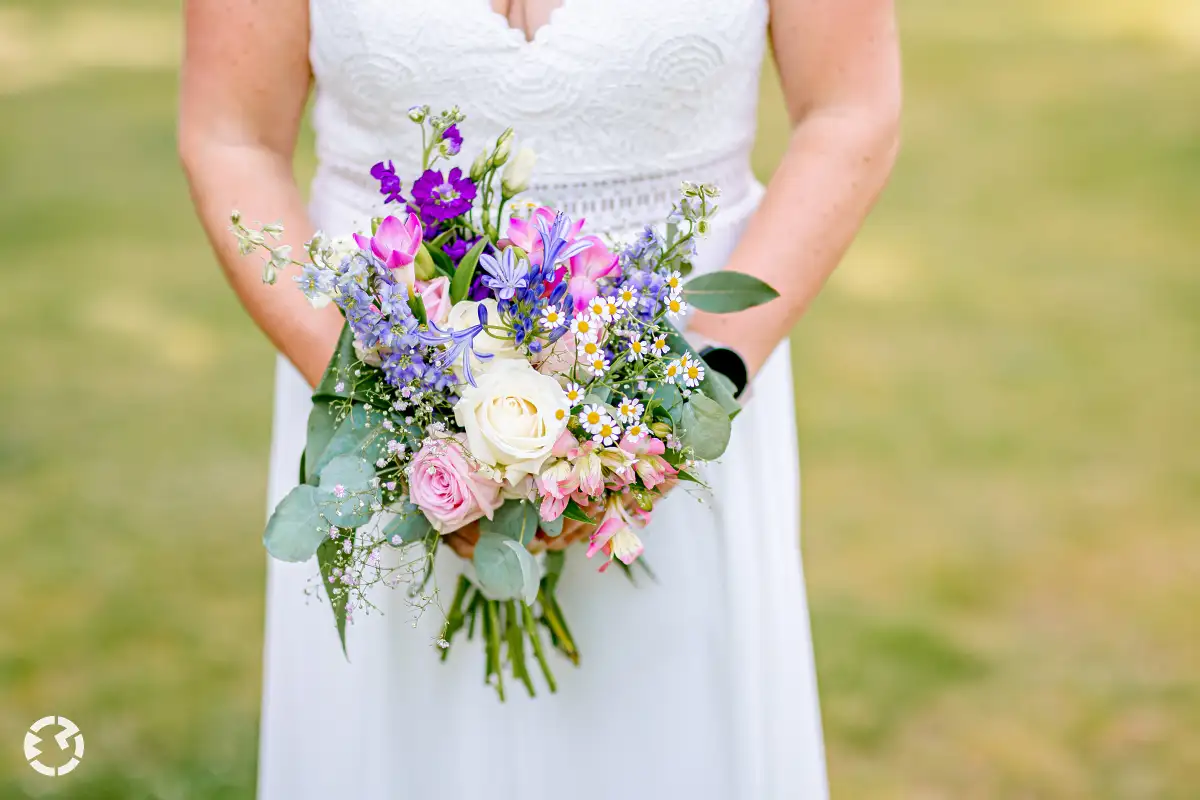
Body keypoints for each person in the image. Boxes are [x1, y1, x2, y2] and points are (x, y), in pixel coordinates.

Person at [180, 1, 900, 797]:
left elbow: (850, 109)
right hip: (374, 410)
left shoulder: (688, 398)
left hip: (683, 409)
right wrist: (401, 419)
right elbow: (231, 136)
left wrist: (686, 398)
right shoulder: (384, 413)